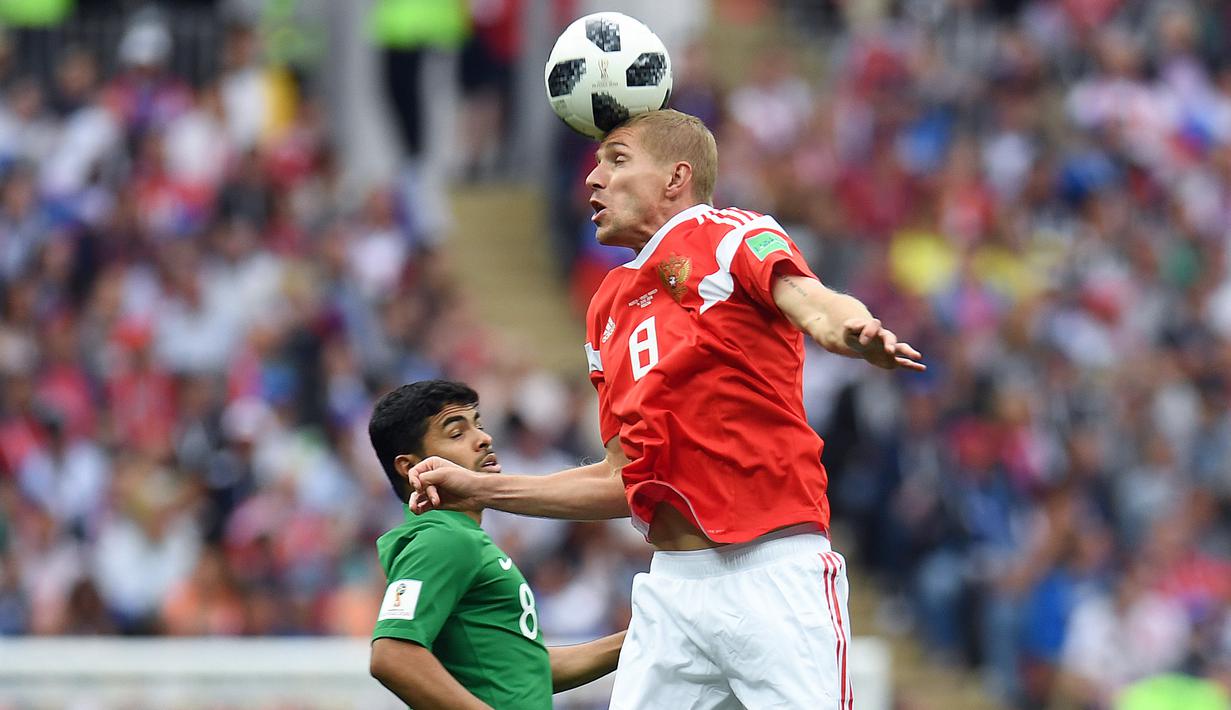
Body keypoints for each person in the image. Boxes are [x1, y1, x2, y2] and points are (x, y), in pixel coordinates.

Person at [407, 109, 926, 708]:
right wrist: (479, 490)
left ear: (677, 177)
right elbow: (619, 479)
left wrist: (850, 328)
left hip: (773, 575)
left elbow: (811, 299)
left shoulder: (729, 234)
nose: (593, 179)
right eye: (596, 161)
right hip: (672, 589)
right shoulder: (608, 306)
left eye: (617, 159)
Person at [366, 379, 625, 709]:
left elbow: (523, 669)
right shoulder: (445, 539)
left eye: (479, 426)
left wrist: (633, 641)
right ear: (410, 466)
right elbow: (392, 655)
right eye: (457, 433)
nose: (484, 439)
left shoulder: (464, 538)